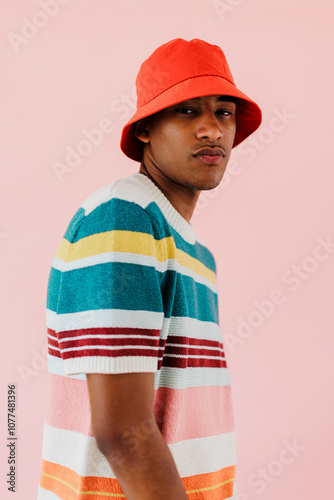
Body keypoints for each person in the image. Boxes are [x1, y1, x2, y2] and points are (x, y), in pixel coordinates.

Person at [38, 37, 262, 500]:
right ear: (144, 130)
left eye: (224, 112)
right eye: (187, 111)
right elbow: (124, 434)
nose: (211, 130)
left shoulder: (196, 253)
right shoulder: (124, 217)